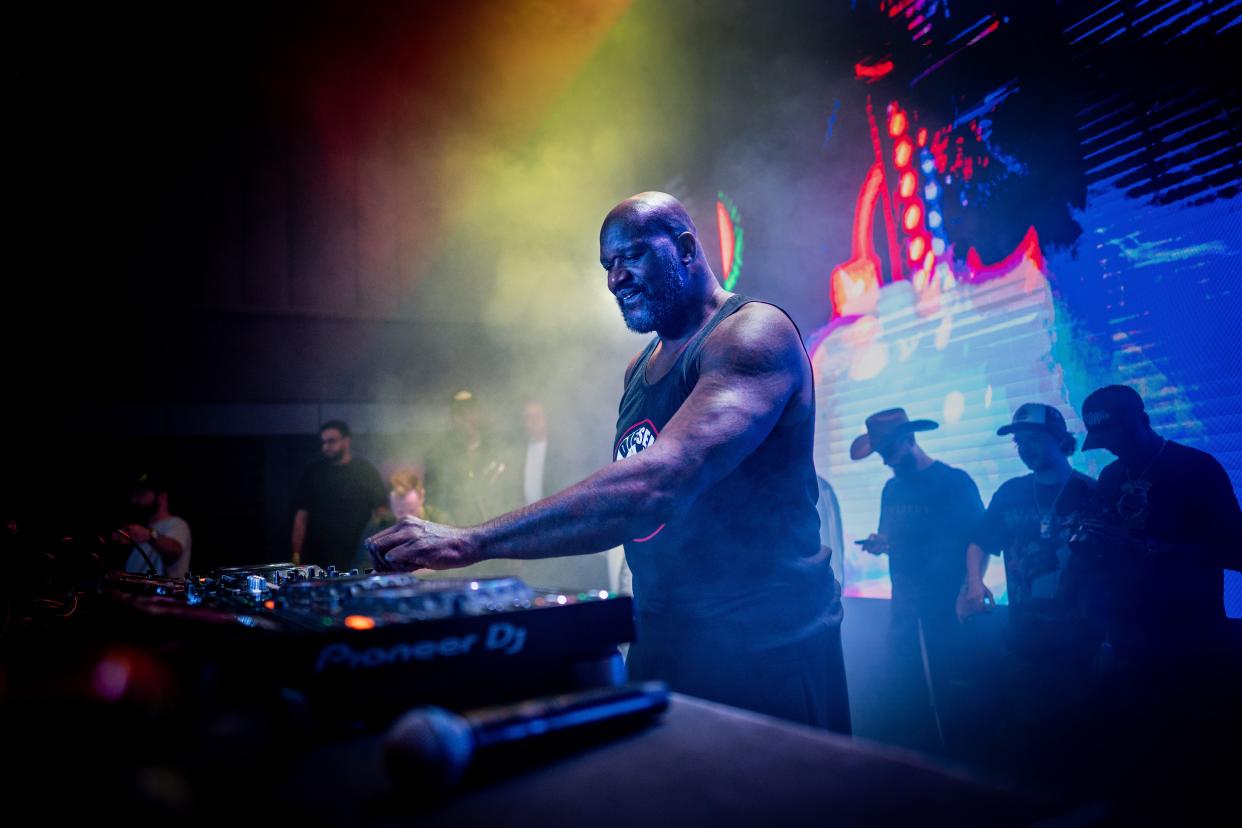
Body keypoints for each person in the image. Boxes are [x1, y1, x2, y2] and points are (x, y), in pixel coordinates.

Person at [369, 192, 849, 731]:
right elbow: (633, 514)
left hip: (769, 654)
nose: (616, 278)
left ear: (687, 247)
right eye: (607, 265)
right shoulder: (639, 369)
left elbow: (654, 487)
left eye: (633, 256)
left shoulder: (753, 334)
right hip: (667, 645)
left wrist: (469, 540)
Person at [960, 403, 1102, 790]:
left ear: (1060, 440)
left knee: (1077, 746)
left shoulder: (1089, 492)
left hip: (1079, 644)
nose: (1025, 447)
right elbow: (980, 540)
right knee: (1024, 744)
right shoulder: (1011, 492)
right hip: (1022, 640)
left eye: (1034, 439)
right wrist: (975, 582)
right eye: (1019, 441)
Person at [852, 408, 984, 754]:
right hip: (905, 608)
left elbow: (978, 540)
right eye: (880, 455)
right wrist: (881, 543)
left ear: (910, 440)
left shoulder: (954, 483)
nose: (885, 462)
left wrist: (969, 587)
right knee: (909, 696)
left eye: (889, 453)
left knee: (955, 699)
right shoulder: (891, 489)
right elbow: (893, 536)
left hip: (948, 608)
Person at [291, 419, 387, 571]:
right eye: (323, 442)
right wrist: (296, 556)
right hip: (318, 558)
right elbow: (301, 517)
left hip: (358, 557)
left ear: (346, 441)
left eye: (331, 441)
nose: (326, 447)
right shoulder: (314, 473)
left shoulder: (365, 471)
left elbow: (381, 514)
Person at [423, 391, 515, 526]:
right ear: (453, 418)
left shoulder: (496, 449)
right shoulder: (438, 454)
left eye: (471, 412)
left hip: (494, 531)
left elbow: (510, 492)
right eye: (461, 414)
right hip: (455, 534)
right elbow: (432, 500)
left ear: (478, 414)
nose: (467, 418)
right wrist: (444, 522)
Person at [113, 471, 192, 579]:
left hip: (162, 595)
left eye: (142, 494)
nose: (135, 500)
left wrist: (148, 535)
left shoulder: (177, 524)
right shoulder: (142, 528)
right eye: (134, 495)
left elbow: (174, 550)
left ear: (162, 497)